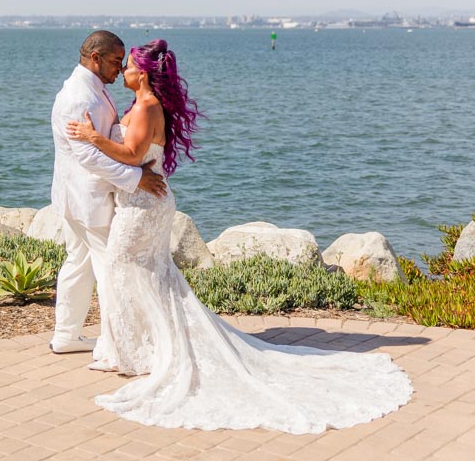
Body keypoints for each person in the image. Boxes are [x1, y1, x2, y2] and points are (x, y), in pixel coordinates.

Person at [66, 38, 413, 433]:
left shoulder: (146, 107)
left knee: (127, 269)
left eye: (127, 65)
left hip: (143, 208)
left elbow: (130, 154)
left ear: (141, 73)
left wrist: (92, 137)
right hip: (141, 203)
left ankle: (145, 352)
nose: (123, 70)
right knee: (143, 273)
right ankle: (143, 348)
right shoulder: (138, 105)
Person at [49, 31, 167, 355]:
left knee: (80, 262)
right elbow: (86, 155)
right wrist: (135, 178)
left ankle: (67, 335)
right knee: (108, 268)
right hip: (89, 198)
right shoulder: (79, 97)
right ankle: (115, 344)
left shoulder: (92, 89)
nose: (119, 69)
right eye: (116, 62)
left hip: (77, 195)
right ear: (95, 58)